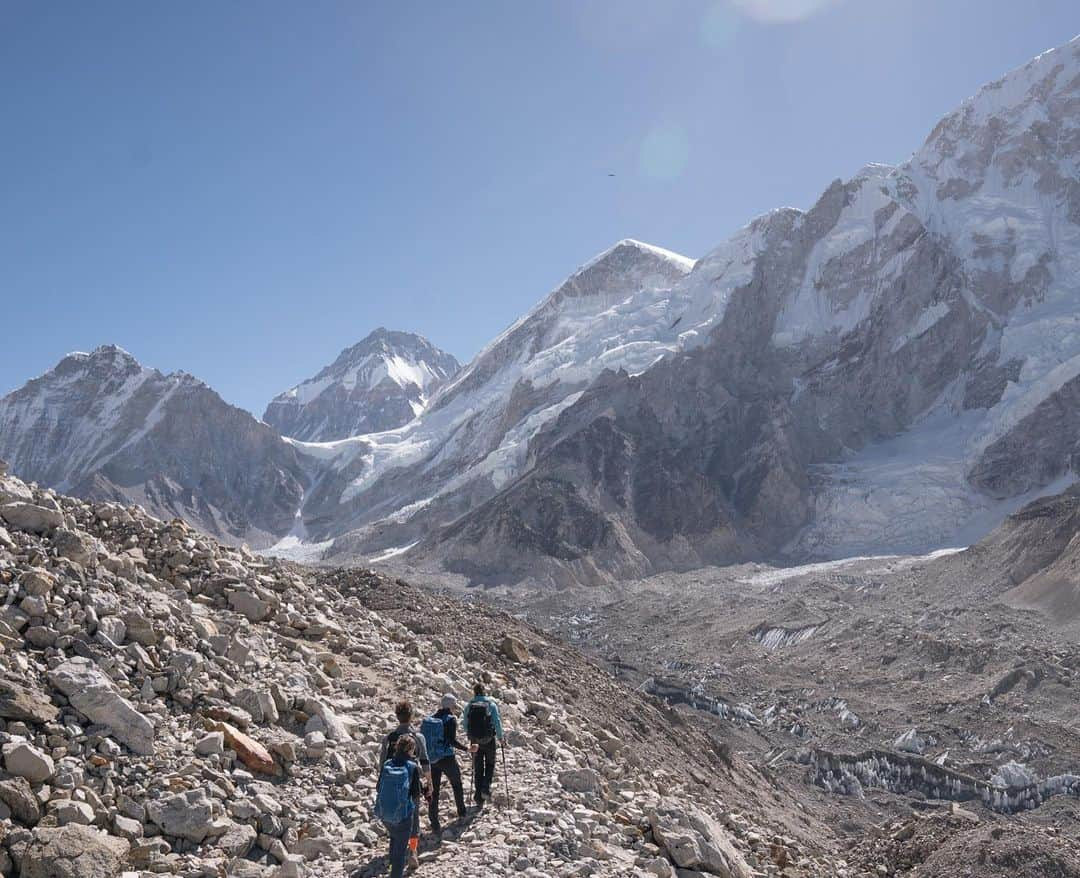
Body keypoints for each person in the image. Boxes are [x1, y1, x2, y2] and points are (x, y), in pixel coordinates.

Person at [380, 701, 430, 869]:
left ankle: (395, 853)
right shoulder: (418, 737)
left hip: (391, 784)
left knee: (394, 814)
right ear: (412, 716)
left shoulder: (389, 738)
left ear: (397, 716)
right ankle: (413, 852)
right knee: (414, 820)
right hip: (412, 784)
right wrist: (429, 783)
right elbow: (425, 762)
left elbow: (382, 764)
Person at [375, 735, 422, 878]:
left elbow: (378, 788)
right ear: (410, 750)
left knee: (394, 839)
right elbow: (415, 794)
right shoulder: (412, 766)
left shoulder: (388, 763)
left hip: (385, 815)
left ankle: (390, 868)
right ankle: (395, 873)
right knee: (400, 853)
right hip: (403, 816)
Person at [421, 693, 469, 833]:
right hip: (447, 758)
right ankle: (462, 813)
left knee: (433, 790)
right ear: (451, 706)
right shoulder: (450, 719)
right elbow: (452, 741)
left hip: (432, 759)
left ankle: (434, 822)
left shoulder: (431, 718)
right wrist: (466, 749)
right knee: (456, 784)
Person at [463, 682, 504, 806]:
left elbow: (465, 722)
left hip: (475, 741)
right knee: (490, 764)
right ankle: (485, 789)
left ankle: (478, 798)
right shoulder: (491, 704)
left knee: (478, 768)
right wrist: (501, 737)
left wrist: (471, 735)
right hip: (489, 739)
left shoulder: (469, 705)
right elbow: (497, 722)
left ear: (474, 693)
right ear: (484, 692)